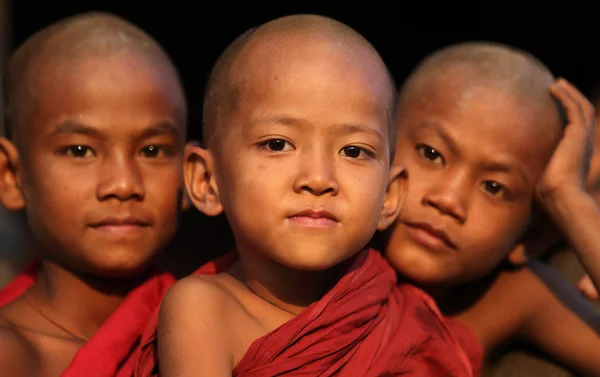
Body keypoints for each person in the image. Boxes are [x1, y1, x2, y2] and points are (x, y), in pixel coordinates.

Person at [137, 14, 478, 377]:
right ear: (207, 181)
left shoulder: (404, 315)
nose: (318, 179)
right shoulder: (204, 309)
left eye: (353, 151)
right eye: (278, 143)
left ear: (389, 196)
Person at [382, 41, 600, 376]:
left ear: (531, 237)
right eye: (431, 153)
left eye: (494, 188)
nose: (449, 200)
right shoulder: (317, 239)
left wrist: (569, 198)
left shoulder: (510, 297)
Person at [0, 11, 186, 377]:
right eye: (80, 150)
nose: (123, 185)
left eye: (153, 151)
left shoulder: (227, 339)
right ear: (10, 176)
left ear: (193, 173)